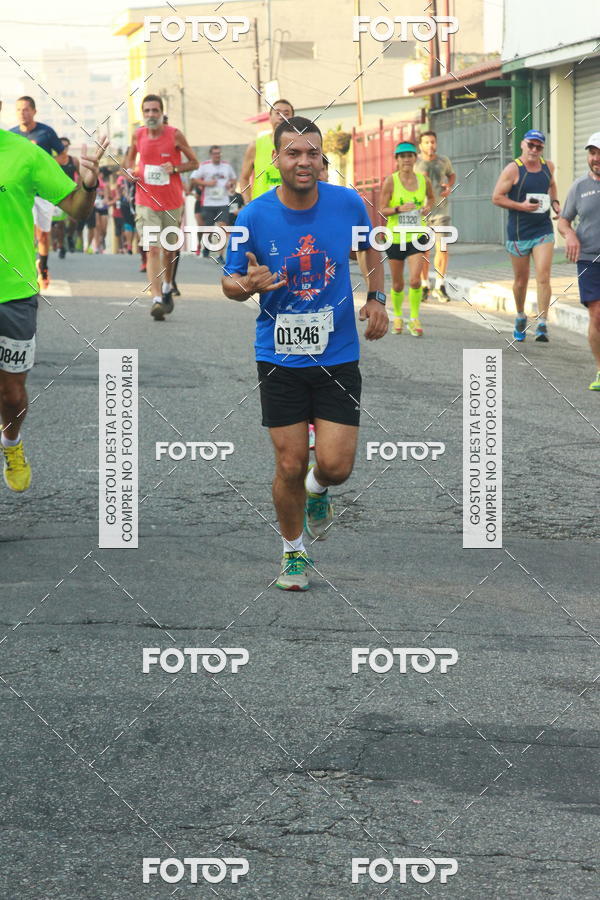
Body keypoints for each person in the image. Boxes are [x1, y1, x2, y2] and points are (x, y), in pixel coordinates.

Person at [222, 116, 388, 591]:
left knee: (335, 466)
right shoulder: (252, 217)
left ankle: (319, 491)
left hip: (337, 353)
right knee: (290, 463)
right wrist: (244, 285)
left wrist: (377, 299)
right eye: (293, 153)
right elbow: (229, 282)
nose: (304, 161)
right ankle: (293, 553)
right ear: (275, 160)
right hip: (279, 356)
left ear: (322, 159)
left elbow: (370, 250)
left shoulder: (347, 203)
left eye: (312, 153)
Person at [0, 101, 108, 492]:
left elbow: (76, 209)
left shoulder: (24, 153)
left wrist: (90, 183)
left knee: (11, 394)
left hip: (13, 292)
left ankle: (11, 441)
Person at [124, 94, 198, 320]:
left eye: (154, 111)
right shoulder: (138, 136)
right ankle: (156, 298)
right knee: (152, 248)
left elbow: (194, 163)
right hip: (145, 200)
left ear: (162, 113)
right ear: (142, 114)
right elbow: (128, 162)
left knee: (169, 249)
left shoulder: (174, 135)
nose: (150, 115)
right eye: (146, 111)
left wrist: (175, 168)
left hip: (172, 202)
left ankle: (167, 285)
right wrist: (130, 173)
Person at [492, 130, 560, 343]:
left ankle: (542, 323)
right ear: (523, 144)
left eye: (538, 146)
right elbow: (496, 197)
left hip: (543, 229)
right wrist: (520, 206)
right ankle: (520, 315)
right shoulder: (513, 169)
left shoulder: (548, 166)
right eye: (530, 145)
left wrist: (555, 203)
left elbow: (552, 185)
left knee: (543, 275)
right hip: (519, 232)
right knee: (521, 281)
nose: (534, 150)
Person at [10, 96, 68, 290]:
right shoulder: (12, 135)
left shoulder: (46, 132)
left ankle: (42, 266)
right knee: (26, 233)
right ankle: (25, 271)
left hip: (41, 193)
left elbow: (63, 156)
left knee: (43, 235)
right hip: (19, 193)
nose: (22, 113)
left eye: (26, 109)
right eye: (18, 110)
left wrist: (43, 167)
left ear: (34, 111)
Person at [558, 133, 600, 390]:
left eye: (599, 152)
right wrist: (570, 233)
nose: (596, 158)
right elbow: (564, 220)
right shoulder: (579, 187)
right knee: (597, 314)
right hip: (589, 259)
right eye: (592, 152)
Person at [378, 142, 434, 336]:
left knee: (415, 280)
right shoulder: (390, 181)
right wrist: (398, 209)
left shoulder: (424, 179)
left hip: (417, 236)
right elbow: (382, 208)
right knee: (397, 284)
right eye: (402, 156)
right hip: (394, 238)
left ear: (415, 158)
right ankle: (398, 317)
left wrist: (428, 208)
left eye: (410, 155)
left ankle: (414, 318)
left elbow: (432, 199)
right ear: (397, 160)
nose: (407, 159)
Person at [415, 131, 455, 301]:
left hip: (441, 211)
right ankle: (425, 285)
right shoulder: (415, 163)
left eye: (432, 142)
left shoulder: (443, 161)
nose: (430, 145)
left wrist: (449, 186)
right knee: (424, 251)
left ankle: (440, 285)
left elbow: (451, 175)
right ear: (420, 145)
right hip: (421, 213)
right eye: (426, 142)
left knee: (443, 248)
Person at [240, 99, 294, 201]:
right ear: (270, 118)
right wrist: (248, 203)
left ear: (292, 118)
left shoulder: (299, 144)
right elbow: (244, 178)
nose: (281, 117)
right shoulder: (256, 145)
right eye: (277, 113)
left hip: (291, 208)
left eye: (286, 114)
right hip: (262, 208)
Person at [189, 145, 236, 264]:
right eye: (215, 154)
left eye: (219, 153)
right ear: (211, 155)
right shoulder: (204, 166)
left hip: (223, 201)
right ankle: (206, 247)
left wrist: (230, 185)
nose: (217, 156)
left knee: (222, 226)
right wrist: (207, 183)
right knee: (208, 228)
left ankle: (221, 255)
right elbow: (193, 179)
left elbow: (233, 179)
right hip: (208, 202)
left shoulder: (227, 166)